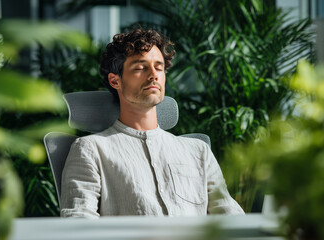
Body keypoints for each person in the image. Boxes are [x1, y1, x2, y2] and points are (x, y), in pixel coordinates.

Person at [60, 28, 244, 218]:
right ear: (115, 81)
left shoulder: (198, 152)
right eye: (140, 68)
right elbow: (79, 224)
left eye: (159, 67)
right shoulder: (92, 150)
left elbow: (231, 220)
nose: (153, 75)